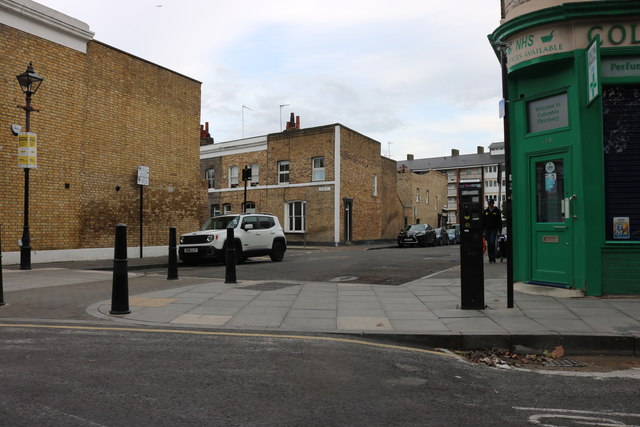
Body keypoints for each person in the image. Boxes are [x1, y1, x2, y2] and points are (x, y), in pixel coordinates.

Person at [482, 199, 502, 263]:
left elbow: (499, 221)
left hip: (494, 229)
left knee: (492, 242)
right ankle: (490, 257)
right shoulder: (486, 211)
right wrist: (483, 230)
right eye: (489, 204)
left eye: (491, 203)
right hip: (487, 229)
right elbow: (483, 221)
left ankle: (493, 256)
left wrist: (500, 229)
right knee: (489, 244)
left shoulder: (497, 211)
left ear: (493, 203)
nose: (490, 205)